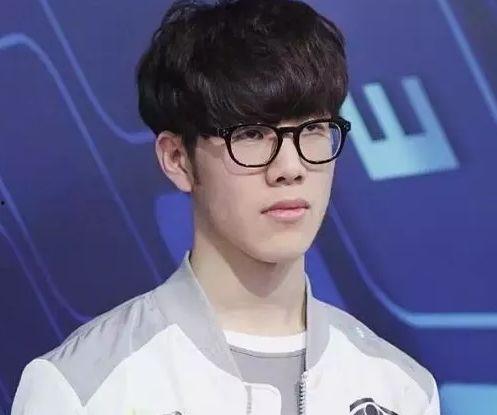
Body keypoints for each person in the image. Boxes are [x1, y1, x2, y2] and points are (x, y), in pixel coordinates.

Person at [12, 0, 440, 414]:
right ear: (178, 159)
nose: (290, 168)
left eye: (312, 129)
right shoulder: (84, 389)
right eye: (251, 135)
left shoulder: (400, 389)